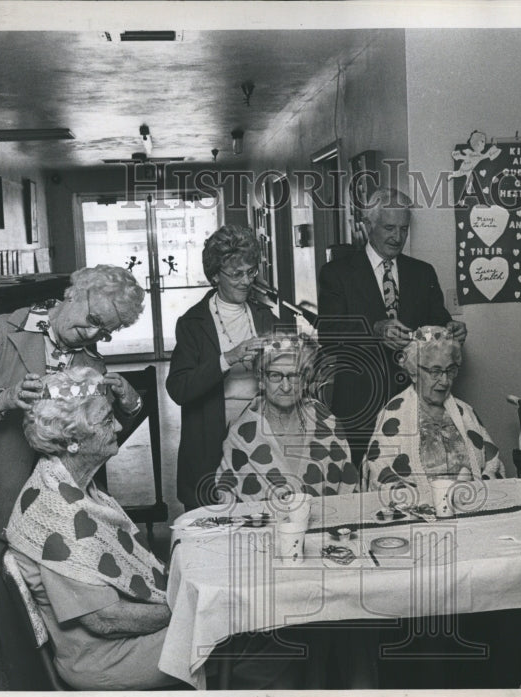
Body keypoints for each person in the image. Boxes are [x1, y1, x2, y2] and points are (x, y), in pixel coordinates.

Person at [0, 264, 146, 688]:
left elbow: (96, 428)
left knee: (65, 613)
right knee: (17, 621)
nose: (93, 335)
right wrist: (3, 398)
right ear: (75, 291)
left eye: (106, 332)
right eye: (95, 321)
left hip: (59, 501)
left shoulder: (89, 360)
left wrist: (130, 402)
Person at [5, 368, 183, 690]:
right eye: (106, 420)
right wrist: (183, 608)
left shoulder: (74, 485)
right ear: (72, 442)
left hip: (113, 641)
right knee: (230, 630)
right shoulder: (56, 515)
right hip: (102, 658)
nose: (117, 426)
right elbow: (104, 619)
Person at [318, 187, 467, 469]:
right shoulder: (337, 274)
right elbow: (329, 334)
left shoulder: (423, 272)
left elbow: (437, 319)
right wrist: (374, 330)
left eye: (403, 229)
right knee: (363, 482)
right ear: (367, 226)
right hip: (359, 402)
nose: (397, 237)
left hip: (417, 401)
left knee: (420, 474)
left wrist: (450, 329)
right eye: (389, 227)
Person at [166, 225, 276, 511]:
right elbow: (178, 389)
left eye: (251, 272)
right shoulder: (192, 323)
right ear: (215, 275)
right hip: (210, 441)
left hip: (261, 435)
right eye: (236, 274)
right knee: (213, 519)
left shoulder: (265, 317)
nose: (245, 282)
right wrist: (227, 359)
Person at [214, 334, 359, 502]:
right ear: (261, 380)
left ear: (305, 381)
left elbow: (350, 490)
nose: (286, 386)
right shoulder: (240, 436)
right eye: (275, 375)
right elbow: (226, 501)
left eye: (294, 376)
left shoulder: (327, 424)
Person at [364, 325, 504, 492]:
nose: (445, 381)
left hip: (470, 504)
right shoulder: (392, 416)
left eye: (450, 370)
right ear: (413, 371)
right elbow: (380, 473)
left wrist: (477, 490)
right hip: (416, 511)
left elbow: (493, 464)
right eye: (435, 371)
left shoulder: (465, 411)